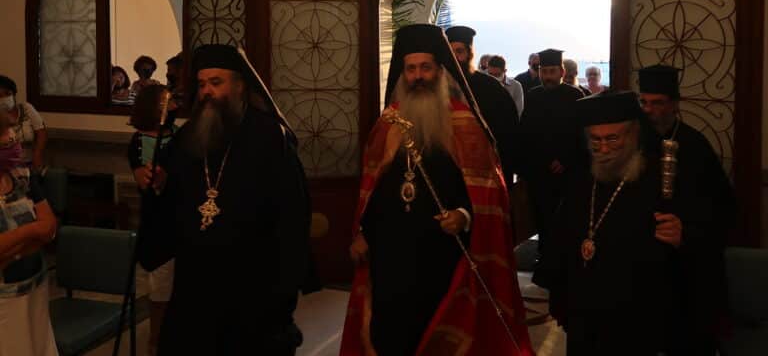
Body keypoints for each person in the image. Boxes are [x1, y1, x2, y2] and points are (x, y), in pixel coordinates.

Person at [340, 24, 533, 356]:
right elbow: (375, 190)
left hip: (442, 253)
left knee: (437, 329)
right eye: (411, 69)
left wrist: (463, 215)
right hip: (390, 251)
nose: (418, 76)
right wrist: (362, 232)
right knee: (389, 331)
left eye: (425, 68)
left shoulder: (465, 124)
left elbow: (486, 193)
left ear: (441, 71)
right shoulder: (388, 123)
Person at [137, 44, 311, 355]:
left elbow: (292, 215)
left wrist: (283, 290)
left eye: (216, 83)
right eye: (202, 84)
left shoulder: (271, 138)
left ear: (240, 86)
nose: (207, 91)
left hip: (252, 288)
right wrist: (159, 184)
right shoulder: (187, 137)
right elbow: (171, 200)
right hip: (195, 285)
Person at [534, 91, 724, 355]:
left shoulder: (665, 178)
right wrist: (562, 296)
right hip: (587, 311)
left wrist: (684, 235)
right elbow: (562, 239)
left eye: (613, 139)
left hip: (641, 313)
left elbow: (711, 226)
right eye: (596, 140)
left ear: (634, 134)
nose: (603, 149)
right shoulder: (582, 179)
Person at [638, 64, 735, 354]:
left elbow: (723, 209)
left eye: (657, 103)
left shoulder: (695, 146)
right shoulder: (631, 143)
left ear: (675, 104)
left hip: (686, 269)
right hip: (642, 265)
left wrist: (687, 233)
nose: (649, 110)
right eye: (644, 102)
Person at [0, 106, 58, 356]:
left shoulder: (21, 174)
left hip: (35, 289)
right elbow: (40, 229)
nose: (13, 138)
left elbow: (49, 227)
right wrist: (32, 233)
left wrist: (13, 247)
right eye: (5, 133)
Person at [519, 49, 586, 254]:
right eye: (544, 71)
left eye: (552, 71)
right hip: (540, 171)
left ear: (562, 72)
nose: (547, 76)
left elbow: (581, 134)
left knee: (567, 218)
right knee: (542, 218)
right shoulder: (533, 95)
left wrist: (564, 159)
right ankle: (544, 256)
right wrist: (543, 161)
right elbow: (527, 133)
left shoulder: (576, 96)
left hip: (568, 171)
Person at [127, 84, 177, 356]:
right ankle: (155, 342)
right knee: (160, 287)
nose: (174, 106)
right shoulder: (139, 142)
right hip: (158, 221)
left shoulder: (179, 135)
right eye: (167, 102)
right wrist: (156, 178)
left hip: (182, 217)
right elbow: (143, 181)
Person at [445, 26, 520, 183]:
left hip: (484, 173)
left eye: (459, 51)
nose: (454, 57)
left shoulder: (491, 88)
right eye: (450, 52)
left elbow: (508, 135)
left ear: (470, 54)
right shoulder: (437, 88)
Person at [0, 76, 47, 174]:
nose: (4, 98)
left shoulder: (26, 108)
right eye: (0, 96)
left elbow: (41, 132)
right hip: (5, 167)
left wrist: (37, 155)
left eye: (7, 94)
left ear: (14, 94)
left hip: (29, 164)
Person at [487, 54, 524, 118]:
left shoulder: (516, 86)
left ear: (505, 71)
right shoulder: (483, 83)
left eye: (497, 75)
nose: (493, 78)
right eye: (490, 74)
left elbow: (518, 111)